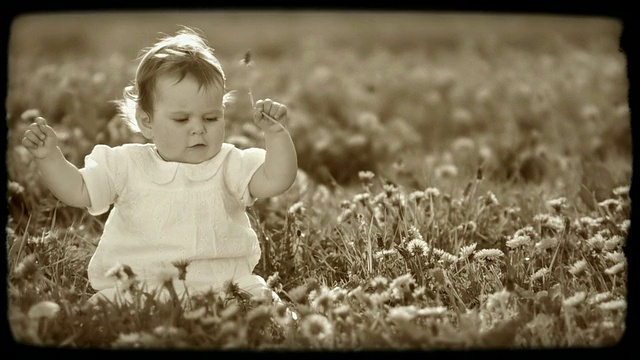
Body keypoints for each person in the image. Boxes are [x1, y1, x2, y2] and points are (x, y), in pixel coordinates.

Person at [21, 27, 298, 306]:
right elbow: (78, 190)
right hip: (137, 286)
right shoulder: (126, 164)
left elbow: (277, 179)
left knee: (265, 302)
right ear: (146, 121)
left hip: (225, 283)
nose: (198, 129)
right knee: (99, 308)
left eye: (211, 118)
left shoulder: (229, 163)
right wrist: (50, 158)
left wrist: (276, 136)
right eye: (181, 120)